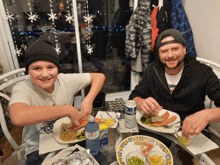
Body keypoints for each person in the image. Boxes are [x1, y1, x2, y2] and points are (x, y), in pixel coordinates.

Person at [9, 37, 105, 165]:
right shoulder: (22, 87)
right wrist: (67, 109)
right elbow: (17, 117)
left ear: (57, 68)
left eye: (50, 67)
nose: (45, 74)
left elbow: (99, 77)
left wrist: (88, 100)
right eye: (36, 68)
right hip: (39, 148)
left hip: (70, 139)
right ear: (28, 70)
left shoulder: (65, 81)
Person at [129, 29, 220, 138]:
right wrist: (141, 102)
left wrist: (207, 115)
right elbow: (134, 96)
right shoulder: (152, 70)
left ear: (184, 50)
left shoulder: (203, 72)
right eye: (164, 51)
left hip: (189, 131)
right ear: (159, 54)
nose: (170, 55)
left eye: (175, 49)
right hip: (156, 129)